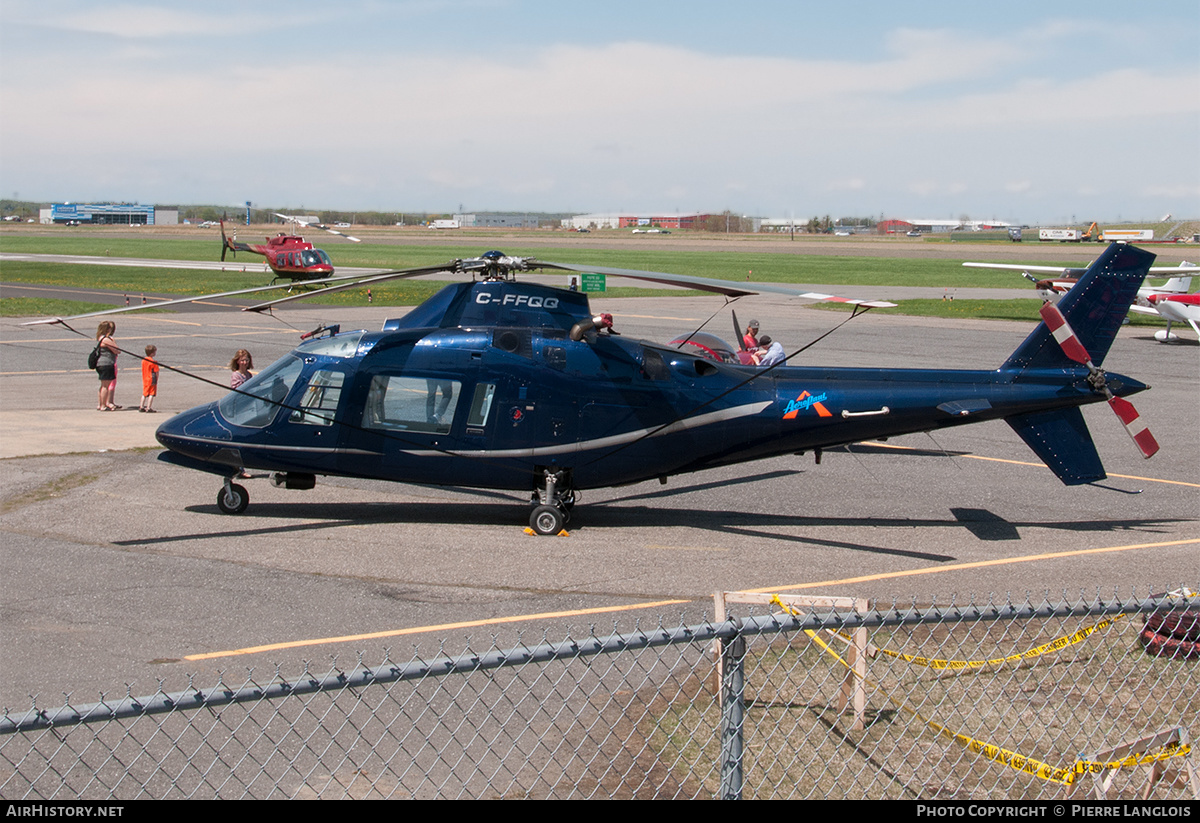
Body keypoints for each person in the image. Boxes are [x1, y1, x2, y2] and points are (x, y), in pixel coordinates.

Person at [94, 321, 121, 411]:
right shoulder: (106, 340)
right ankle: (103, 405)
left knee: (103, 385)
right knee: (105, 386)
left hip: (101, 363)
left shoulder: (100, 338)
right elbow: (117, 350)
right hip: (107, 363)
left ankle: (100, 403)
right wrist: (113, 341)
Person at [140, 345, 159, 413]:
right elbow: (156, 371)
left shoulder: (144, 360)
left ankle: (141, 406)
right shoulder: (153, 362)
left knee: (144, 393)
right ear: (152, 353)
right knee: (151, 393)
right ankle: (149, 407)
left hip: (145, 378)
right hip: (151, 378)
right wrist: (157, 378)